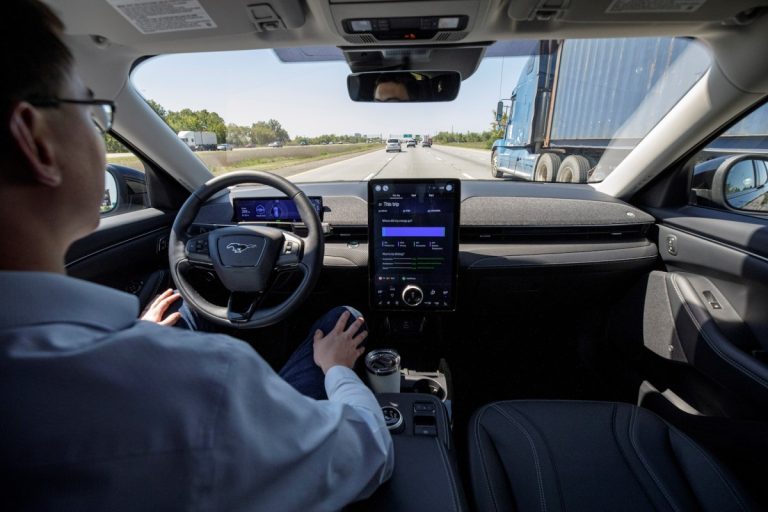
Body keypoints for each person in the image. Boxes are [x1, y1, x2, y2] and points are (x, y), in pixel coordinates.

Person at [0, 1, 393, 510]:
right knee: (342, 321)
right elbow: (366, 453)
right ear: (35, 141)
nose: (100, 134)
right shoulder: (202, 387)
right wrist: (337, 370)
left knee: (187, 314)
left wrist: (141, 339)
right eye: (94, 114)